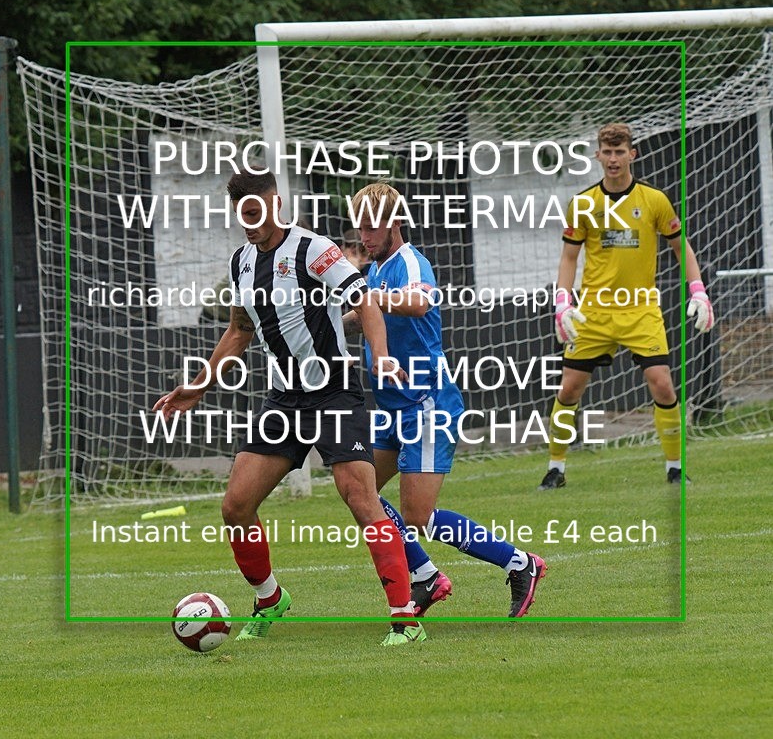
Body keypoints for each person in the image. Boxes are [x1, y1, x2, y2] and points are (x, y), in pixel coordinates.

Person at [155, 168, 424, 646]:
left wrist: (380, 357)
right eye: (242, 215)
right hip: (284, 397)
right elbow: (239, 330)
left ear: (275, 204)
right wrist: (199, 386)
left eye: (256, 212)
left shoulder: (313, 249)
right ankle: (270, 598)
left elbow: (364, 302)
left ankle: (406, 619)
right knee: (236, 506)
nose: (250, 223)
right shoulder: (241, 261)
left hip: (334, 390)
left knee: (358, 497)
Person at [344, 181, 547, 619]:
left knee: (418, 516)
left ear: (395, 222)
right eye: (360, 229)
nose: (364, 237)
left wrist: (368, 298)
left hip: (427, 404)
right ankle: (427, 578)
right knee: (362, 494)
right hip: (392, 407)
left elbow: (418, 303)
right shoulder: (375, 271)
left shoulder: (409, 262)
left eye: (372, 228)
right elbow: (362, 313)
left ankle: (521, 564)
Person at [540, 122, 714, 490]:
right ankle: (556, 468)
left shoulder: (655, 201)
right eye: (608, 151)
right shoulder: (584, 203)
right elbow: (569, 258)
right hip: (595, 312)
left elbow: (680, 247)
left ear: (632, 154)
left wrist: (698, 291)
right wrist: (562, 302)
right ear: (598, 155)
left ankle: (675, 467)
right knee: (569, 389)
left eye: (621, 152)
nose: (614, 158)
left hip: (640, 310)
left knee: (662, 384)